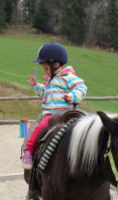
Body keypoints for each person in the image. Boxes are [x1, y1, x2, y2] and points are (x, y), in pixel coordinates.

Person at [22, 41, 87, 169]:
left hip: (67, 113)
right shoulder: (49, 82)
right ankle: (28, 150)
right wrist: (36, 85)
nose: (45, 72)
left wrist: (72, 96)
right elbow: (44, 95)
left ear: (56, 65)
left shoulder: (68, 78)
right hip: (52, 115)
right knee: (40, 127)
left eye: (46, 68)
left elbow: (81, 88)